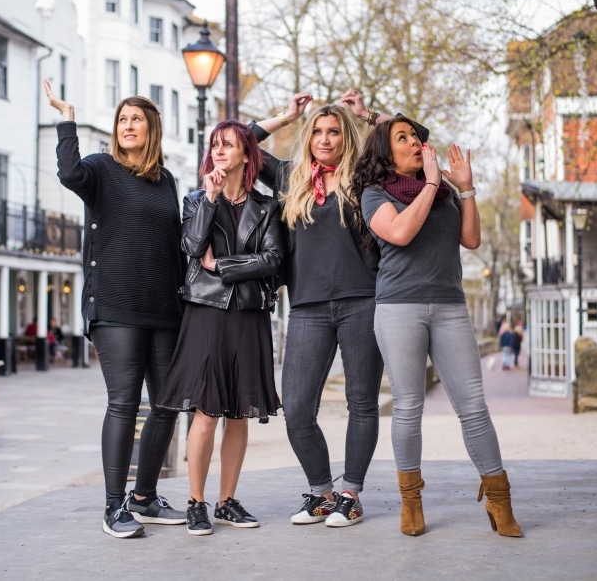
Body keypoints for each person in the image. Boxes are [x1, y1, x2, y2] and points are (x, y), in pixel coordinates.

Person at [250, 89, 422, 527]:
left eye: (334, 132)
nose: (325, 139)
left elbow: (416, 139)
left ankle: (351, 493)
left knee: (362, 402)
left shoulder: (366, 179)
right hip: (306, 305)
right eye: (318, 132)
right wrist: (286, 117)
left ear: (346, 137)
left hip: (363, 301)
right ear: (308, 137)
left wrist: (369, 116)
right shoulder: (290, 178)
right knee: (298, 408)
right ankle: (322, 492)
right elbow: (240, 141)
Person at [352, 117, 522, 538]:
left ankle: (500, 501)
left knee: (474, 407)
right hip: (399, 308)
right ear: (386, 152)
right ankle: (411, 503)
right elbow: (400, 233)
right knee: (409, 407)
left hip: (449, 306)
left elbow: (471, 239)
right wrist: (431, 184)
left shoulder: (443, 193)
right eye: (403, 138)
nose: (415, 142)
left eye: (415, 136)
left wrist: (464, 187)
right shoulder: (375, 194)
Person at [43, 79, 187, 540]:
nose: (128, 126)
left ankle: (144, 498)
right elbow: (68, 175)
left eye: (136, 120)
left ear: (151, 130)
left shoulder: (166, 181)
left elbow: (174, 244)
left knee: (167, 404)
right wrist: (67, 119)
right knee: (124, 404)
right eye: (122, 119)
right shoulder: (101, 169)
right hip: (116, 305)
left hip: (165, 307)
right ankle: (113, 506)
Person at [155, 120, 285, 536]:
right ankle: (196, 503)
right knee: (206, 413)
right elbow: (192, 248)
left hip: (249, 317)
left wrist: (220, 266)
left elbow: (274, 259)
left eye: (228, 144)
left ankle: (228, 501)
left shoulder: (266, 208)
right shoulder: (196, 200)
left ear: (248, 155)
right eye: (215, 145)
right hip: (206, 314)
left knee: (239, 415)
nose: (219, 150)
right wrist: (210, 198)